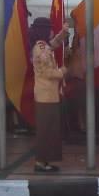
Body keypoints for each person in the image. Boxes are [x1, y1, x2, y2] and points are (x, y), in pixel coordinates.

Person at [29, 17, 68, 172]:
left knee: (50, 129)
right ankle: (40, 162)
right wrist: (62, 72)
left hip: (48, 94)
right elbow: (46, 72)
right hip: (46, 95)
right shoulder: (40, 48)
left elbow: (54, 43)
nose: (52, 31)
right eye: (49, 28)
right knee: (46, 129)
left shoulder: (43, 45)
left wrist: (63, 33)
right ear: (43, 31)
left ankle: (45, 161)